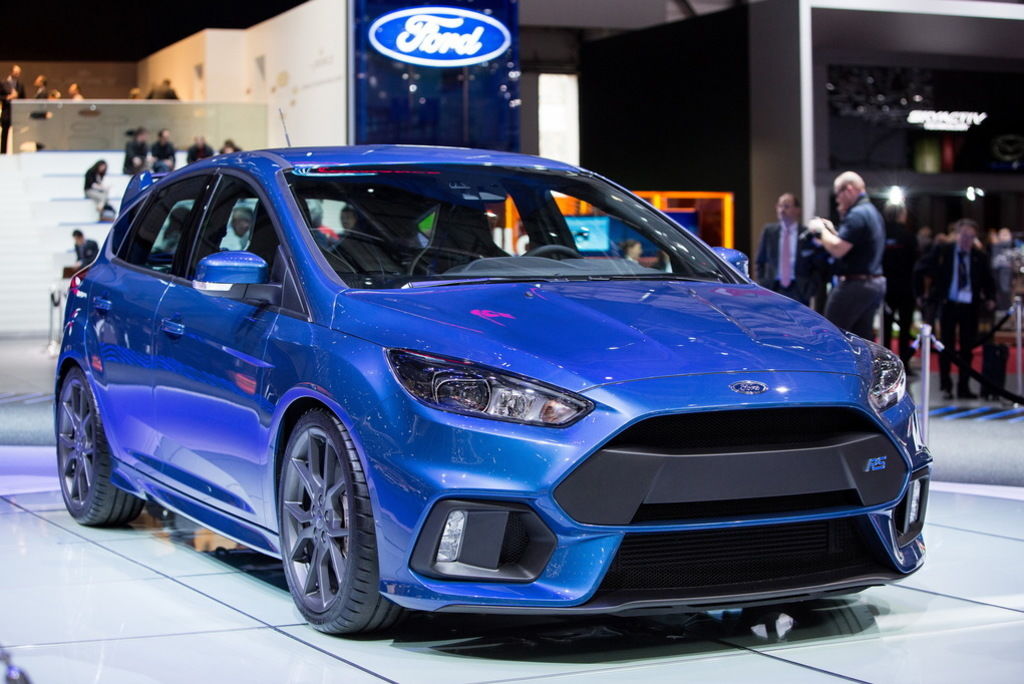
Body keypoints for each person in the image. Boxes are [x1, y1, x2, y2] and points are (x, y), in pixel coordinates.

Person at [915, 218, 996, 400]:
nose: (967, 240)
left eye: (971, 237)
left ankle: (964, 386)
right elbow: (920, 269)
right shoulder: (944, 251)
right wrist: (920, 294)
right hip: (948, 305)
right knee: (946, 346)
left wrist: (991, 298)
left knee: (967, 348)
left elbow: (988, 280)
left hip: (970, 307)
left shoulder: (979, 256)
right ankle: (946, 386)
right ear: (957, 235)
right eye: (964, 236)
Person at [807, 171, 886, 340]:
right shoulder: (871, 211)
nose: (837, 200)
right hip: (872, 284)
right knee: (861, 341)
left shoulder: (857, 214)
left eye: (838, 194)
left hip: (855, 285)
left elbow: (838, 249)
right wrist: (832, 232)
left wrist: (820, 230)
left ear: (849, 189)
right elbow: (852, 245)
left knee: (831, 336)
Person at [755, 193, 827, 306]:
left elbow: (817, 265)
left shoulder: (807, 234)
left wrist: (811, 288)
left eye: (786, 206)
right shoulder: (769, 231)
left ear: (797, 210)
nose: (782, 210)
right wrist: (762, 283)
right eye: (780, 206)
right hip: (773, 288)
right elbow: (760, 261)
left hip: (799, 289)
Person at [881, 203, 918, 371]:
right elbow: (914, 261)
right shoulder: (909, 236)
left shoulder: (882, 234)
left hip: (886, 287)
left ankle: (885, 364)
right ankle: (904, 364)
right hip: (905, 287)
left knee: (886, 327)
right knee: (905, 328)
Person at [1, 65, 26, 154]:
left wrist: (17, 98)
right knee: (4, 135)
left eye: (19, 73)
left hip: (17, 114)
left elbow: (23, 98)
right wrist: (7, 97)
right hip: (6, 113)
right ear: (11, 72)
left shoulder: (20, 85)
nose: (17, 74)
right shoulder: (3, 83)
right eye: (16, 72)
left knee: (18, 135)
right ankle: (3, 154)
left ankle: (17, 153)